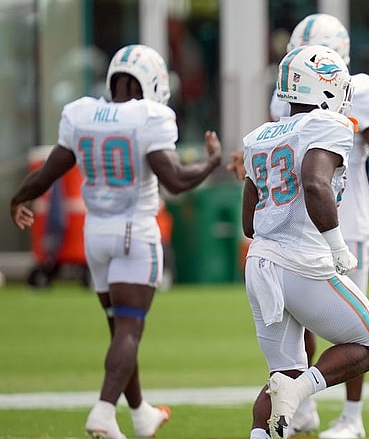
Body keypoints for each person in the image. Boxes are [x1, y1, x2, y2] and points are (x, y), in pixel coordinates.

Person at [10, 44, 223, 439]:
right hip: (135, 232)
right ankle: (105, 412)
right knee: (129, 329)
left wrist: (19, 196)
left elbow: (51, 170)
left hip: (96, 235)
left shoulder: (82, 113)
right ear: (154, 83)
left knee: (120, 329)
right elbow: (175, 181)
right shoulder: (149, 117)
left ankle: (141, 413)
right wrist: (211, 162)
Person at [229, 13, 369, 438]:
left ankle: (268, 427)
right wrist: (336, 244)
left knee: (282, 373)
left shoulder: (260, 134)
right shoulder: (330, 121)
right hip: (311, 254)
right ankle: (304, 393)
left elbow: (249, 219)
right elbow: (314, 182)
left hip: (262, 260)